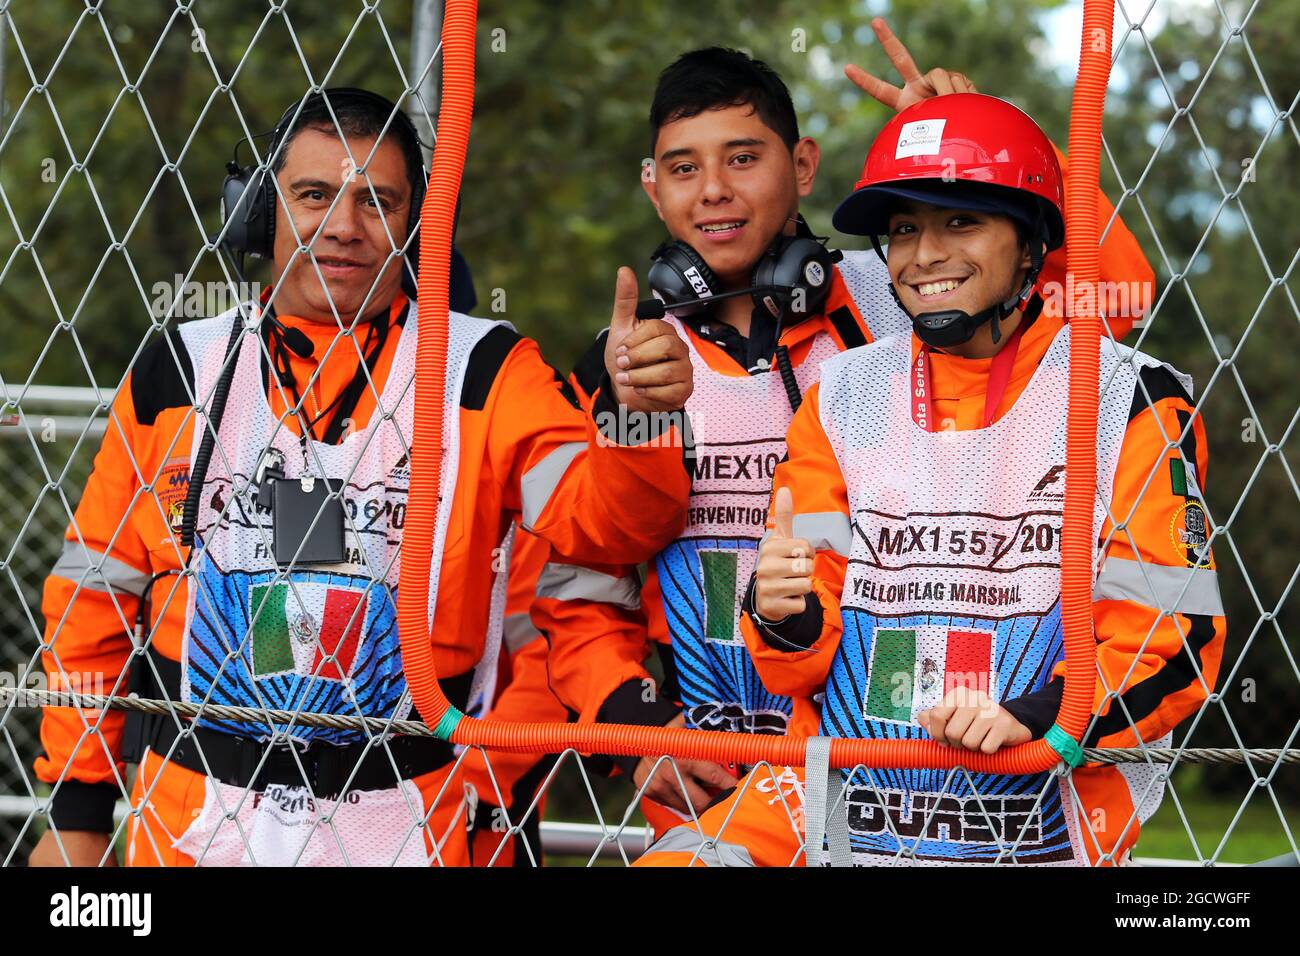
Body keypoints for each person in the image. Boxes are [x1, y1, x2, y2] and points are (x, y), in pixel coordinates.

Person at [29, 87, 694, 867]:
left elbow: (609, 528)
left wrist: (640, 420)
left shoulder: (484, 370)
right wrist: (75, 813)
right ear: (260, 212)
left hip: (407, 825)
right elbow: (90, 598)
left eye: (378, 203)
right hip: (186, 823)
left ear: (418, 227)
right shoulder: (180, 367)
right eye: (314, 195)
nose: (343, 228)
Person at [533, 24, 1154, 830]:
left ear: (804, 166)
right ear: (653, 188)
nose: (714, 188)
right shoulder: (624, 362)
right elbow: (580, 582)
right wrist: (636, 730)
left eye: (744, 157)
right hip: (711, 789)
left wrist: (981, 156)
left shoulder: (906, 293)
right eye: (685, 168)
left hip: (907, 779)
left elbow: (1111, 305)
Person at [635, 92, 1226, 867]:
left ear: (1031, 244)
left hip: (1033, 817)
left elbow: (1178, 636)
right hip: (826, 805)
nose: (924, 255)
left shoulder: (1132, 399)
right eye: (905, 230)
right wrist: (783, 616)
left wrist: (1040, 717)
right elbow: (801, 641)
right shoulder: (840, 396)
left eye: (961, 222)